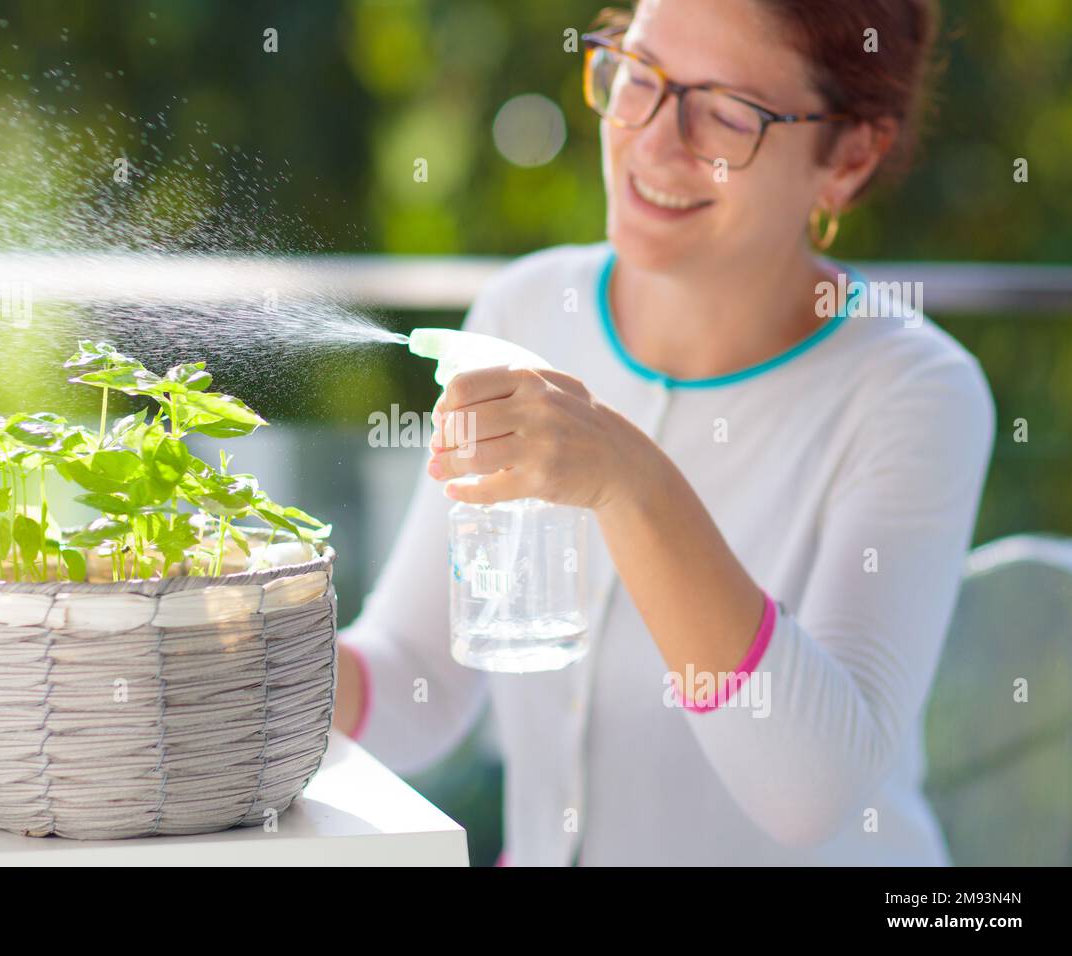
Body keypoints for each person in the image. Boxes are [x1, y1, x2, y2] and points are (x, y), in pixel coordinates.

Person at [333, 0, 994, 866]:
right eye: (637, 77)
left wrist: (632, 481)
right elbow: (422, 675)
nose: (650, 140)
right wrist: (230, 652)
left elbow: (812, 794)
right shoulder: (526, 310)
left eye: (725, 113)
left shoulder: (915, 392)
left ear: (850, 154)